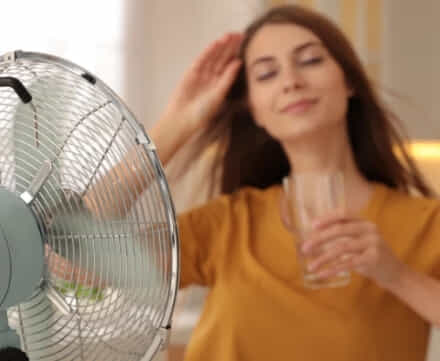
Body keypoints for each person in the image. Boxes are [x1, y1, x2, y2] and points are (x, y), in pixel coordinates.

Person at [147, 4, 440, 361]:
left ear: (349, 81)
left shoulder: (426, 224)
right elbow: (71, 255)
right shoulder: (229, 223)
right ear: (253, 108)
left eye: (311, 61)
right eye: (267, 74)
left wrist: (396, 276)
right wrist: (178, 122)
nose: (291, 82)